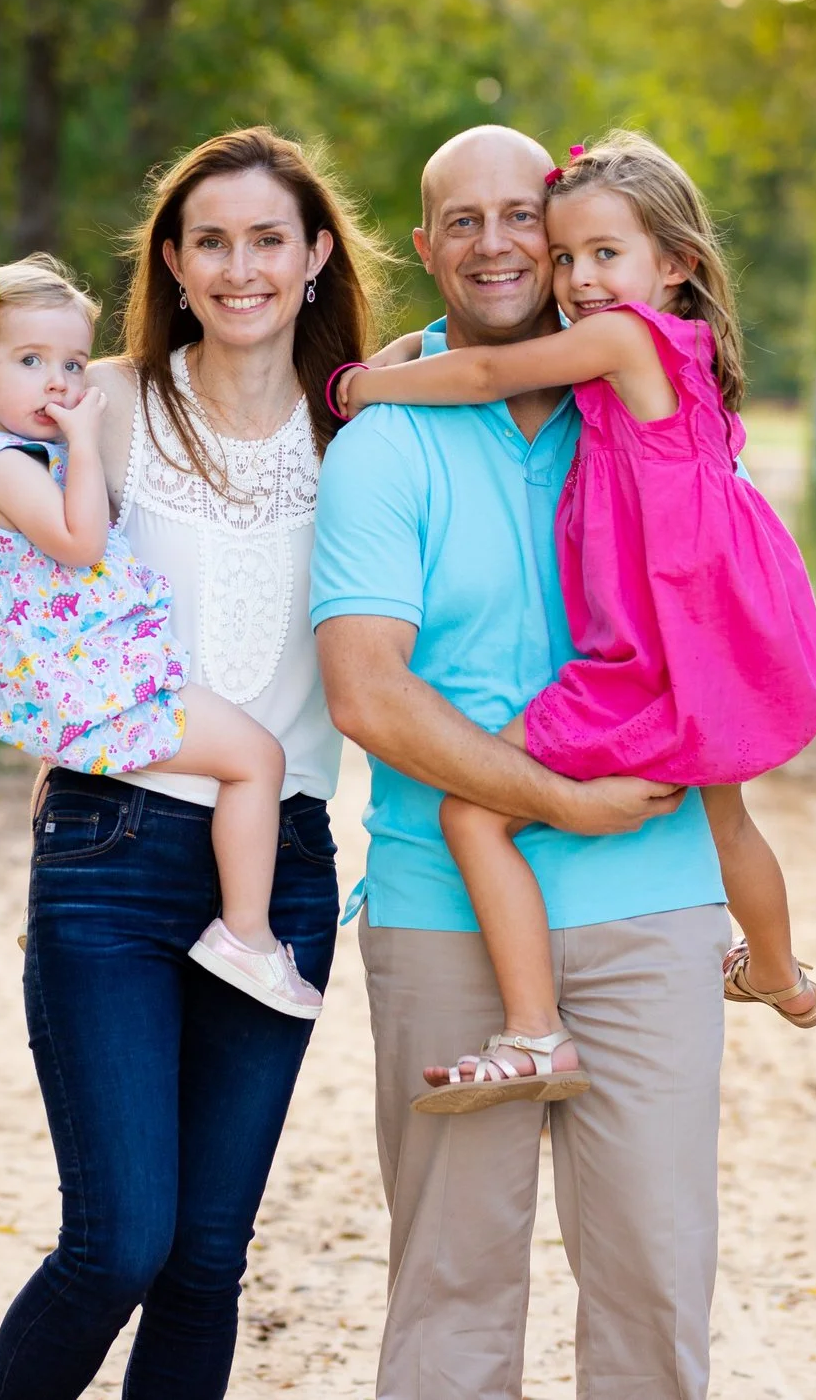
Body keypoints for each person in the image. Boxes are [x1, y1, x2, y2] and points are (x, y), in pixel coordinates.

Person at [312, 125, 726, 1398]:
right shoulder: (386, 437)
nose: (495, 245)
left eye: (519, 218)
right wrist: (558, 798)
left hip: (650, 899)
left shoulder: (641, 402)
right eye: (462, 220)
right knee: (452, 1291)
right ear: (426, 245)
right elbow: (367, 693)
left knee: (656, 1288)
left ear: (561, 240)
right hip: (444, 911)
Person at [0, 128, 381, 1400]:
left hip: (284, 860)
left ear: (315, 255)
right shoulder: (99, 401)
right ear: (172, 260)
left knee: (206, 1258)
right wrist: (52, 714)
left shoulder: (365, 427)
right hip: (113, 843)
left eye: (267, 239)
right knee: (117, 1242)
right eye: (210, 240)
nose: (239, 266)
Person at [330, 130, 816, 1112]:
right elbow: (471, 355)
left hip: (639, 659)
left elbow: (484, 375)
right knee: (726, 814)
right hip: (697, 646)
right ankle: (780, 972)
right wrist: (408, 349)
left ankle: (534, 1031)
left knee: (472, 813)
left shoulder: (621, 343)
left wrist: (360, 384)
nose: (579, 278)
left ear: (675, 263)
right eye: (566, 257)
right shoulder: (675, 357)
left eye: (604, 253)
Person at [0, 254, 322, 1018]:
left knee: (66, 771)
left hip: (83, 676)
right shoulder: (5, 466)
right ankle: (247, 935)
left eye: (72, 363)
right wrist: (87, 441)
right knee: (257, 759)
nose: (58, 382)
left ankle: (49, 905)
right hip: (102, 681)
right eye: (29, 361)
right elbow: (83, 541)